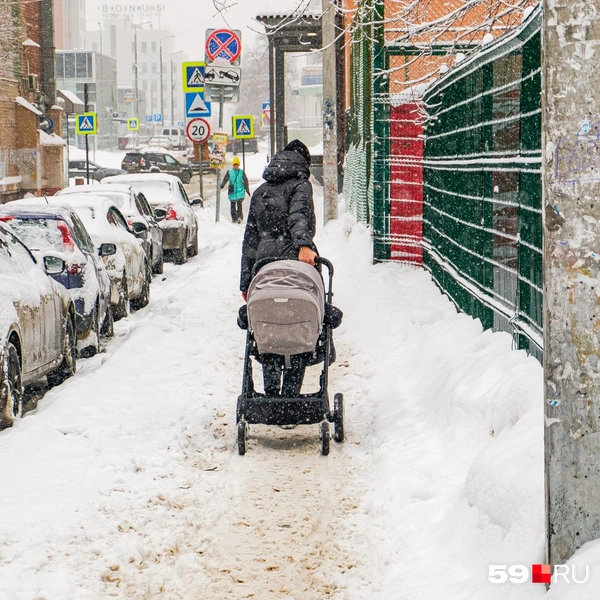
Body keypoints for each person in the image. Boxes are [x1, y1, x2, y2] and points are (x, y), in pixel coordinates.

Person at [240, 139, 318, 397]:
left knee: (270, 326)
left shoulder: (261, 190)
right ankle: (291, 396)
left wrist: (245, 282)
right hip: (294, 262)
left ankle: (272, 395)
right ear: (303, 163)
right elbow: (299, 216)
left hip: (264, 268)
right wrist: (304, 245)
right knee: (296, 326)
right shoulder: (301, 185)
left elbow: (250, 240)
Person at [221, 156, 250, 223]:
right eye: (234, 165)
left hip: (240, 191)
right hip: (232, 191)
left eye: (237, 165)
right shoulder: (229, 172)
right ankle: (234, 218)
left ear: (238, 165)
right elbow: (225, 179)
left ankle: (239, 217)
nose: (236, 166)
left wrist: (247, 189)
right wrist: (222, 185)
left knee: (239, 205)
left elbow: (246, 181)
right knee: (233, 205)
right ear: (233, 165)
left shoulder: (241, 172)